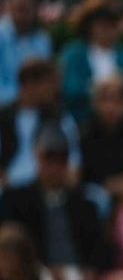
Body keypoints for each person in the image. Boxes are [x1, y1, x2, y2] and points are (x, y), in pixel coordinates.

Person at [0, 124, 107, 280]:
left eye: (62, 158)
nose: (56, 166)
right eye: (50, 157)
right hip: (35, 277)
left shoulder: (85, 204)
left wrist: (90, 274)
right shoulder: (14, 200)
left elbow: (101, 252)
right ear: (37, 156)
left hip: (82, 277)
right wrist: (44, 272)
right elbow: (11, 249)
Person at [59, 0, 123, 122]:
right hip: (82, 122)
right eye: (101, 23)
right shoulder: (73, 54)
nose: (106, 29)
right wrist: (103, 90)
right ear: (88, 25)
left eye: (112, 24)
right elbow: (70, 89)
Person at [0, 58, 82, 190]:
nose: (55, 90)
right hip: (7, 186)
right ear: (30, 85)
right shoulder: (3, 117)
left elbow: (73, 161)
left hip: (48, 186)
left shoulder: (61, 117)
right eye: (50, 84)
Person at [0, 0, 53, 106]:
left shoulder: (43, 40)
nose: (22, 4)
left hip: (37, 108)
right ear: (9, 5)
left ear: (36, 8)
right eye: (18, 1)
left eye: (27, 1)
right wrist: (21, 98)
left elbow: (46, 81)